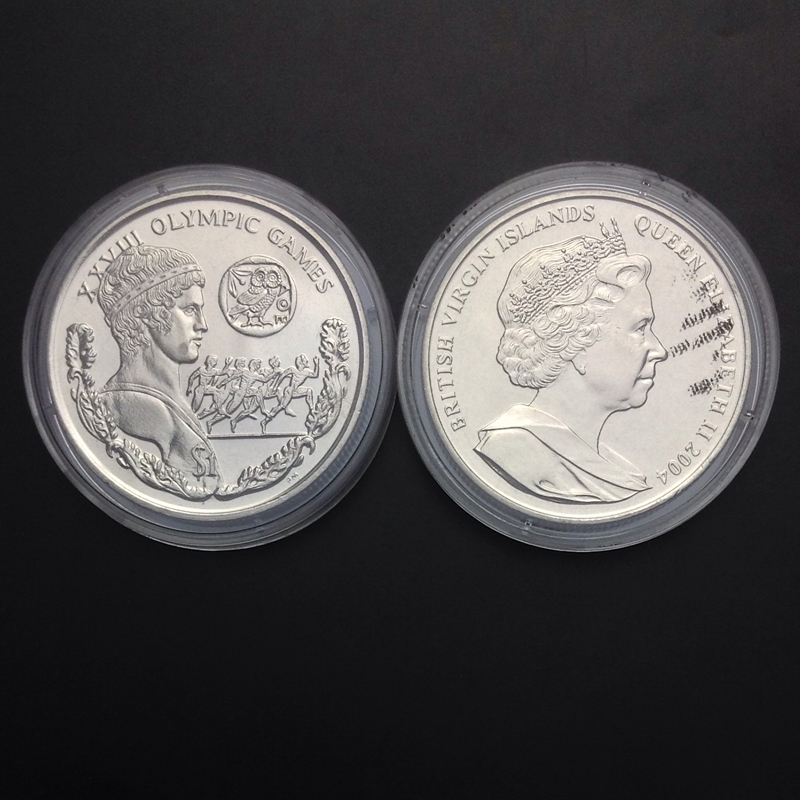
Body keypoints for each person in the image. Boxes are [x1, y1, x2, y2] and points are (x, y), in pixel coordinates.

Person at [475, 221, 667, 504]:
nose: (660, 350)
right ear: (576, 344)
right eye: (640, 328)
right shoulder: (518, 453)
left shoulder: (619, 470)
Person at [96, 243, 219, 483]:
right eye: (190, 310)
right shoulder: (135, 406)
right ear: (148, 314)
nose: (202, 325)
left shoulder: (173, 402)